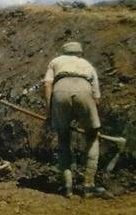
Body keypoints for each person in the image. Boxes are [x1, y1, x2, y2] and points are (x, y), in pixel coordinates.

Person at [43, 41, 105, 198]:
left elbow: (47, 84)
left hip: (60, 91)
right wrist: (90, 121)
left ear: (63, 52)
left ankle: (67, 187)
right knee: (92, 137)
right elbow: (97, 98)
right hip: (84, 90)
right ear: (80, 53)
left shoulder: (56, 62)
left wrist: (50, 111)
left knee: (63, 138)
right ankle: (88, 185)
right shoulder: (87, 65)